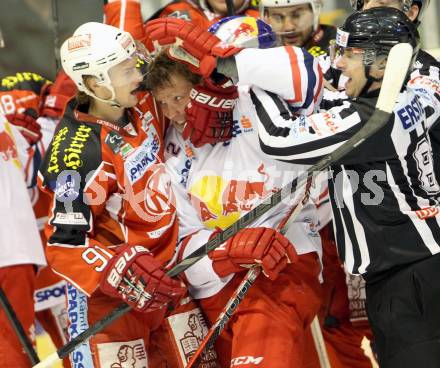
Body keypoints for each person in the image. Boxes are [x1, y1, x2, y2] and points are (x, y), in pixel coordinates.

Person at [251, 8, 440, 367]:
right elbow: (327, 97)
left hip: (411, 282)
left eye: (349, 55)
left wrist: (251, 82)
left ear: (383, 65)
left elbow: (278, 141)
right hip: (412, 272)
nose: (338, 64)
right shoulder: (401, 97)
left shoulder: (375, 120)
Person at [145, 16, 324, 367]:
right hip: (213, 293)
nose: (175, 112)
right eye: (164, 103)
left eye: (179, 97)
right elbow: (181, 239)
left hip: (278, 272)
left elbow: (308, 73)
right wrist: (225, 252)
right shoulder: (170, 147)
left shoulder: (250, 101)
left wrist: (219, 54)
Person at [37, 22, 190, 367]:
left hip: (172, 278)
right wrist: (119, 268)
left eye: (134, 64)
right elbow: (65, 245)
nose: (138, 76)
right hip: (114, 300)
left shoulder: (141, 101)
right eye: (126, 71)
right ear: (94, 84)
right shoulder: (75, 156)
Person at [0, 70, 76, 368]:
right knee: (17, 351)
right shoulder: (45, 124)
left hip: (28, 251)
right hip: (29, 250)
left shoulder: (15, 123)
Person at [0, 42, 47, 368]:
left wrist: (25, 134)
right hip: (10, 253)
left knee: (16, 354)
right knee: (14, 356)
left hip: (16, 251)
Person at [259, 0, 335, 57]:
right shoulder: (258, 50)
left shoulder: (339, 47)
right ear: (265, 17)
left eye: (297, 15)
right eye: (278, 17)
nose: (289, 27)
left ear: (315, 13)